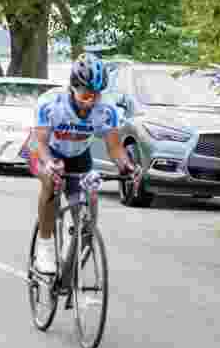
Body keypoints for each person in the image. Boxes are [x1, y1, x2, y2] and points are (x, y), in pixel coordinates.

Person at [27, 53, 139, 274]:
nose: (91, 101)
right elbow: (39, 142)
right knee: (51, 182)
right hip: (45, 151)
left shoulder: (106, 110)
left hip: (78, 155)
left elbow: (115, 148)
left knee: (87, 208)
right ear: (73, 87)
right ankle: (45, 246)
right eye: (86, 95)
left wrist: (126, 165)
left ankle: (75, 243)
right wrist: (49, 163)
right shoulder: (51, 103)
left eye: (96, 95)